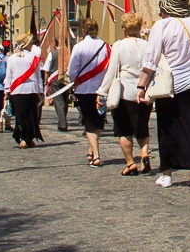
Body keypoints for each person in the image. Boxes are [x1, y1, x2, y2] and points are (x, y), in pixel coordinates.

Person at [135, 0, 190, 193]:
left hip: (169, 84)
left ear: (169, 9)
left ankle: (167, 174)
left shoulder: (161, 26)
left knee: (167, 128)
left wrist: (142, 86)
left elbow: (151, 59)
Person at [97, 12, 152, 176]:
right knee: (142, 126)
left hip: (125, 93)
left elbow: (111, 71)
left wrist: (101, 91)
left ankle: (130, 163)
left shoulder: (119, 46)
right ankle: (144, 153)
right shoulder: (147, 45)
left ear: (124, 29)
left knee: (124, 130)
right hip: (144, 93)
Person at [69, 18, 111, 168]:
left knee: (89, 122)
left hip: (84, 88)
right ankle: (91, 150)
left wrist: (72, 81)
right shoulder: (105, 47)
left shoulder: (79, 46)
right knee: (97, 121)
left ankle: (97, 154)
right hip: (102, 88)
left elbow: (72, 69)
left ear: (83, 30)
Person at [4, 34, 44, 149]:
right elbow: (38, 76)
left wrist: (7, 91)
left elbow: (9, 76)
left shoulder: (11, 58)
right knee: (31, 115)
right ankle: (28, 137)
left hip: (17, 90)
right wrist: (40, 91)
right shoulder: (34, 57)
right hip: (31, 89)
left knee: (20, 115)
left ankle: (24, 138)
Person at [42, 42, 70, 132]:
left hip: (55, 80)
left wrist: (46, 81)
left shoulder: (52, 54)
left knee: (59, 102)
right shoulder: (69, 53)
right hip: (66, 79)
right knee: (65, 101)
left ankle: (62, 124)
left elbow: (47, 69)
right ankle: (62, 121)